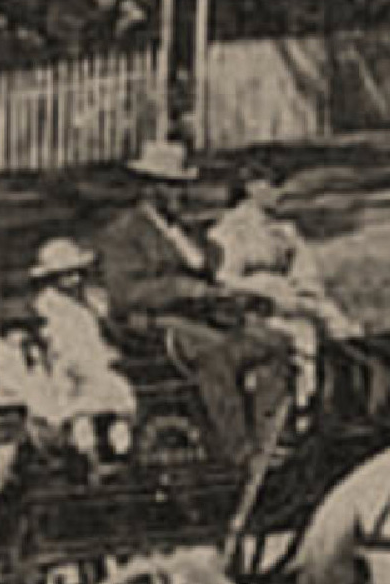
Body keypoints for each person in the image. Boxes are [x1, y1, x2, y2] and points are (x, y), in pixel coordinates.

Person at [93, 147, 295, 460]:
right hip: (150, 325)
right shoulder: (124, 233)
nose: (180, 194)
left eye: (182, 186)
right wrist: (182, 289)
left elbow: (208, 268)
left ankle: (271, 435)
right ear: (150, 188)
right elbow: (125, 292)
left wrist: (226, 295)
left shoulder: (182, 230)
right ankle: (237, 449)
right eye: (172, 186)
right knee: (214, 353)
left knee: (273, 343)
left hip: (199, 316)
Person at [207, 167, 360, 407]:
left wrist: (307, 297)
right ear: (251, 188)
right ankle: (298, 408)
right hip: (252, 313)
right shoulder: (227, 232)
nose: (279, 193)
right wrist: (265, 290)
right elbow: (224, 280)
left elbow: (305, 275)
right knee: (300, 337)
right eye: (272, 185)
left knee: (343, 331)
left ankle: (343, 398)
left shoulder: (283, 232)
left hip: (294, 305)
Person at [21, 238, 137, 466]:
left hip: (95, 363)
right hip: (67, 369)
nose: (73, 280)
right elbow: (57, 344)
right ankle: (88, 457)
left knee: (116, 407)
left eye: (76, 273)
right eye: (64, 276)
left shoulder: (91, 300)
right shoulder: (49, 306)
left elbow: (101, 332)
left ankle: (120, 454)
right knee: (79, 415)